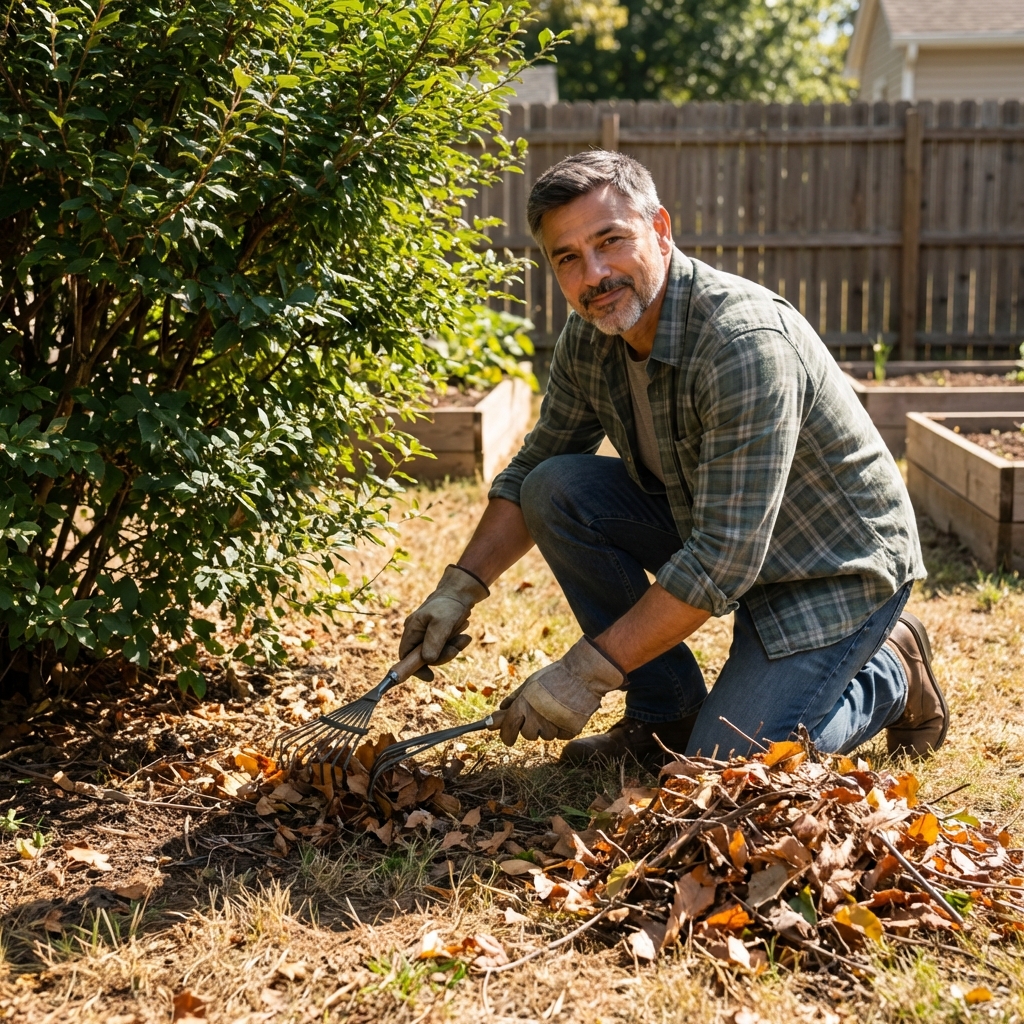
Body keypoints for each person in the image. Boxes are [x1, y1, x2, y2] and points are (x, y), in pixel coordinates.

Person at [400, 150, 947, 766]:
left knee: (728, 769)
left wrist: (585, 673)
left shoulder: (742, 344)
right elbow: (535, 464)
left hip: (828, 566)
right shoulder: (592, 336)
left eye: (611, 241)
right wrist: (459, 589)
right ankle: (667, 714)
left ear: (660, 230)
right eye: (569, 258)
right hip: (720, 533)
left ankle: (891, 670)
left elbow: (722, 557)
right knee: (555, 488)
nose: (595, 274)